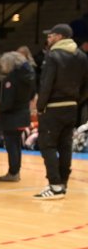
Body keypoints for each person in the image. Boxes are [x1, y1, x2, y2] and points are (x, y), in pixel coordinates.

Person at [33, 23, 88, 199]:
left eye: (51, 35)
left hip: (53, 107)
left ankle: (55, 186)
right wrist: (77, 100)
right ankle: (62, 183)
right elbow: (86, 84)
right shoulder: (81, 56)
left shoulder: (53, 55)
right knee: (65, 146)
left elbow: (46, 83)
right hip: (72, 106)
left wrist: (40, 106)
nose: (48, 38)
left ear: (60, 37)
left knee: (47, 144)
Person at [0, 50, 36, 182]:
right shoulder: (28, 76)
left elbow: (8, 102)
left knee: (11, 146)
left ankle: (13, 172)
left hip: (12, 117)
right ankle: (15, 171)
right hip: (23, 114)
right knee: (17, 145)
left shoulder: (12, 79)